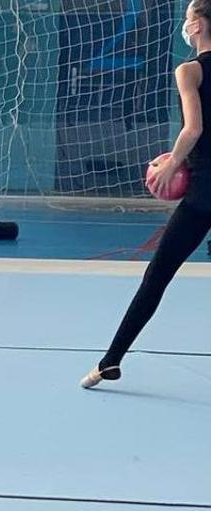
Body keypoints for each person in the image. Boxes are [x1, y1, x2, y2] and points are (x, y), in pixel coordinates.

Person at [82, 0, 211, 389]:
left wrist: (173, 164)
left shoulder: (189, 70)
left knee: (157, 276)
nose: (185, 25)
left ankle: (110, 362)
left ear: (201, 24)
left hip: (204, 193)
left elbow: (193, 129)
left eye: (189, 18)